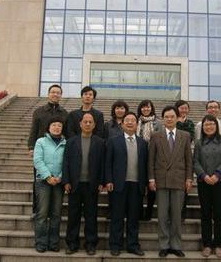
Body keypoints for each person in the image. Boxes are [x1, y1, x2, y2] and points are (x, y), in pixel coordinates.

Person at [148, 106, 193, 258]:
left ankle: (176, 245)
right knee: (162, 215)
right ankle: (164, 245)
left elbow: (189, 160)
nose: (169, 119)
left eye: (172, 116)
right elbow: (151, 159)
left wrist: (189, 178)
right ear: (163, 119)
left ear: (177, 118)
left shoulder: (185, 135)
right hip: (160, 180)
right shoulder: (156, 136)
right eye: (166, 116)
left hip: (179, 180)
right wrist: (151, 178)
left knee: (176, 215)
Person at [105, 112, 148, 257]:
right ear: (122, 124)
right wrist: (109, 180)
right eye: (127, 120)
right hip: (118, 184)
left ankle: (132, 245)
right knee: (117, 217)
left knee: (133, 218)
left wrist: (146, 183)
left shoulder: (143, 143)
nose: (130, 123)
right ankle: (115, 245)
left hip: (137, 185)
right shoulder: (113, 141)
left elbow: (145, 165)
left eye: (133, 120)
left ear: (137, 124)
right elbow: (108, 163)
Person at [62, 112, 105, 255]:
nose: (87, 124)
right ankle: (72, 244)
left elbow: (102, 165)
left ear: (94, 125)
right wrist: (66, 181)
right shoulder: (71, 141)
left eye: (90, 122)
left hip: (91, 185)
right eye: (85, 122)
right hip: (75, 184)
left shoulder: (99, 142)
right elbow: (66, 163)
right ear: (80, 124)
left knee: (91, 215)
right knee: (73, 215)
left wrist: (101, 182)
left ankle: (90, 244)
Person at [193, 114, 221, 258]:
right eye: (206, 125)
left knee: (219, 214)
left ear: (216, 126)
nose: (209, 127)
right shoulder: (198, 143)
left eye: (211, 124)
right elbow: (195, 161)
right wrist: (203, 175)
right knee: (205, 214)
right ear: (202, 127)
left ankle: (218, 245)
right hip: (204, 182)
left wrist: (216, 174)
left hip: (220, 182)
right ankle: (207, 245)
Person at [28, 84, 68, 214]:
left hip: (58, 149)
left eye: (58, 93)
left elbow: (66, 132)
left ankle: (53, 209)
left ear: (61, 95)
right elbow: (33, 130)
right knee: (39, 180)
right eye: (53, 92)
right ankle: (37, 209)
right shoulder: (39, 111)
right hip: (42, 149)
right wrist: (31, 146)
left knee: (57, 184)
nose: (55, 94)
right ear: (48, 94)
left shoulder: (64, 113)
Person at [33, 116, 66, 253]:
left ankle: (53, 243)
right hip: (43, 181)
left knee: (56, 214)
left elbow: (68, 163)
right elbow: (38, 160)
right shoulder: (41, 141)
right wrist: (48, 176)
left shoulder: (66, 143)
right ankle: (41, 242)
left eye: (59, 125)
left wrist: (60, 177)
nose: (57, 127)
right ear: (48, 127)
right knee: (42, 213)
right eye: (54, 125)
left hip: (59, 183)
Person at [136, 99, 163, 221]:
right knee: (140, 185)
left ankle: (149, 211)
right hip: (138, 156)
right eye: (143, 107)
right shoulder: (136, 121)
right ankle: (139, 211)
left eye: (148, 107)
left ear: (151, 108)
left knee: (152, 186)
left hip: (153, 156)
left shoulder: (158, 123)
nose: (145, 109)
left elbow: (161, 140)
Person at [175, 99, 195, 221]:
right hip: (171, 156)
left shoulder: (190, 123)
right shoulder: (172, 121)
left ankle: (182, 213)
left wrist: (181, 124)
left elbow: (189, 137)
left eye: (185, 108)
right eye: (181, 108)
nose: (183, 110)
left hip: (185, 156)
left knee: (184, 188)